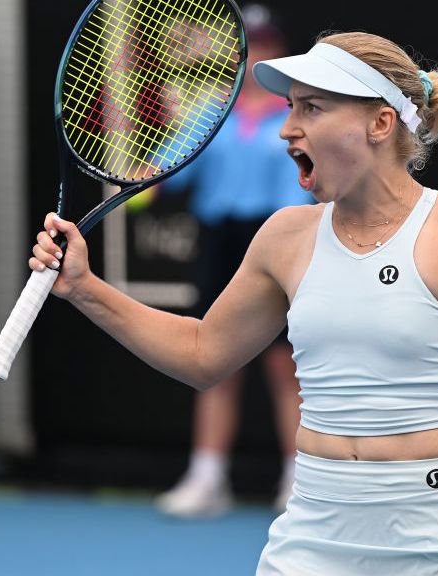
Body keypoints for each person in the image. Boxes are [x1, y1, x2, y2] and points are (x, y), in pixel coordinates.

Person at [30, 29, 438, 576]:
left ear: (380, 123)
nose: (287, 129)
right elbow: (202, 353)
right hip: (310, 540)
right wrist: (84, 287)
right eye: (290, 107)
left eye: (312, 109)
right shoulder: (284, 237)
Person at [143, 4, 312, 518]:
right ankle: (207, 478)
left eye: (266, 46)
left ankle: (298, 482)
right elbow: (171, 171)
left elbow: (306, 191)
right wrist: (147, 173)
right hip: (219, 244)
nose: (257, 55)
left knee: (286, 368)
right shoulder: (211, 110)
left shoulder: (297, 116)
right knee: (213, 364)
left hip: (277, 242)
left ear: (278, 55)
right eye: (250, 46)